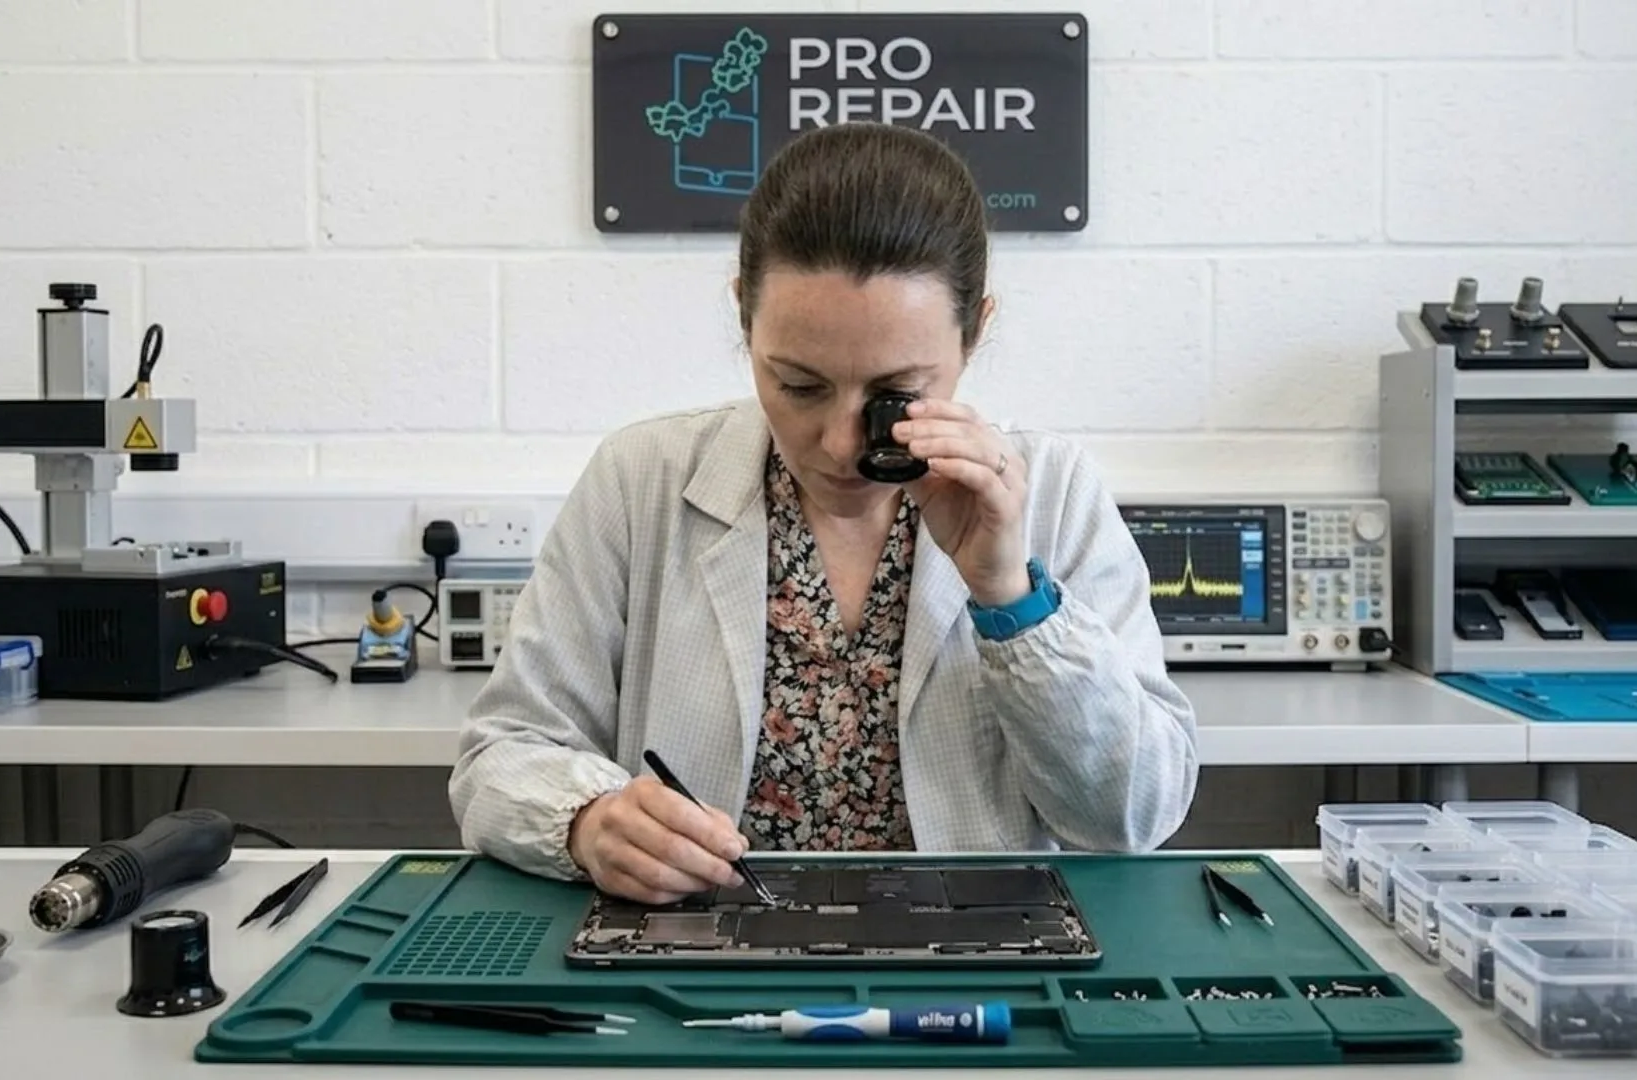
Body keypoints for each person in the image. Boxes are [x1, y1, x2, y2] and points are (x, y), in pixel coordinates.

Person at [448, 122, 1198, 904]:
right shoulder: (643, 481)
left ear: (973, 334)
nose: (841, 444)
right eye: (800, 387)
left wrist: (1013, 599)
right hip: (698, 955)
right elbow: (501, 755)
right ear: (745, 320)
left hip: (980, 965)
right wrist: (587, 821)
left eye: (895, 395)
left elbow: (1130, 816)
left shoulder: (1056, 491)